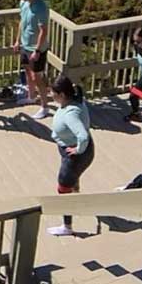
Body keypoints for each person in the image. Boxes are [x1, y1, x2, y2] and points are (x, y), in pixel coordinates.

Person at [48, 75, 94, 237]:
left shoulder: (70, 114)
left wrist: (78, 150)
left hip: (75, 154)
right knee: (73, 178)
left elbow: (82, 136)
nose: (50, 95)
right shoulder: (76, 98)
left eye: (53, 92)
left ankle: (67, 226)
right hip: (73, 150)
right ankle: (76, 191)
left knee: (63, 188)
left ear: (62, 95)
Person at [13, 0, 51, 119]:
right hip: (25, 44)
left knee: (38, 77)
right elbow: (22, 22)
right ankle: (31, 97)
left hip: (36, 48)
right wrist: (17, 40)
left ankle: (45, 107)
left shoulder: (40, 7)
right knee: (28, 72)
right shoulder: (24, 4)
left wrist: (38, 50)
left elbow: (43, 31)